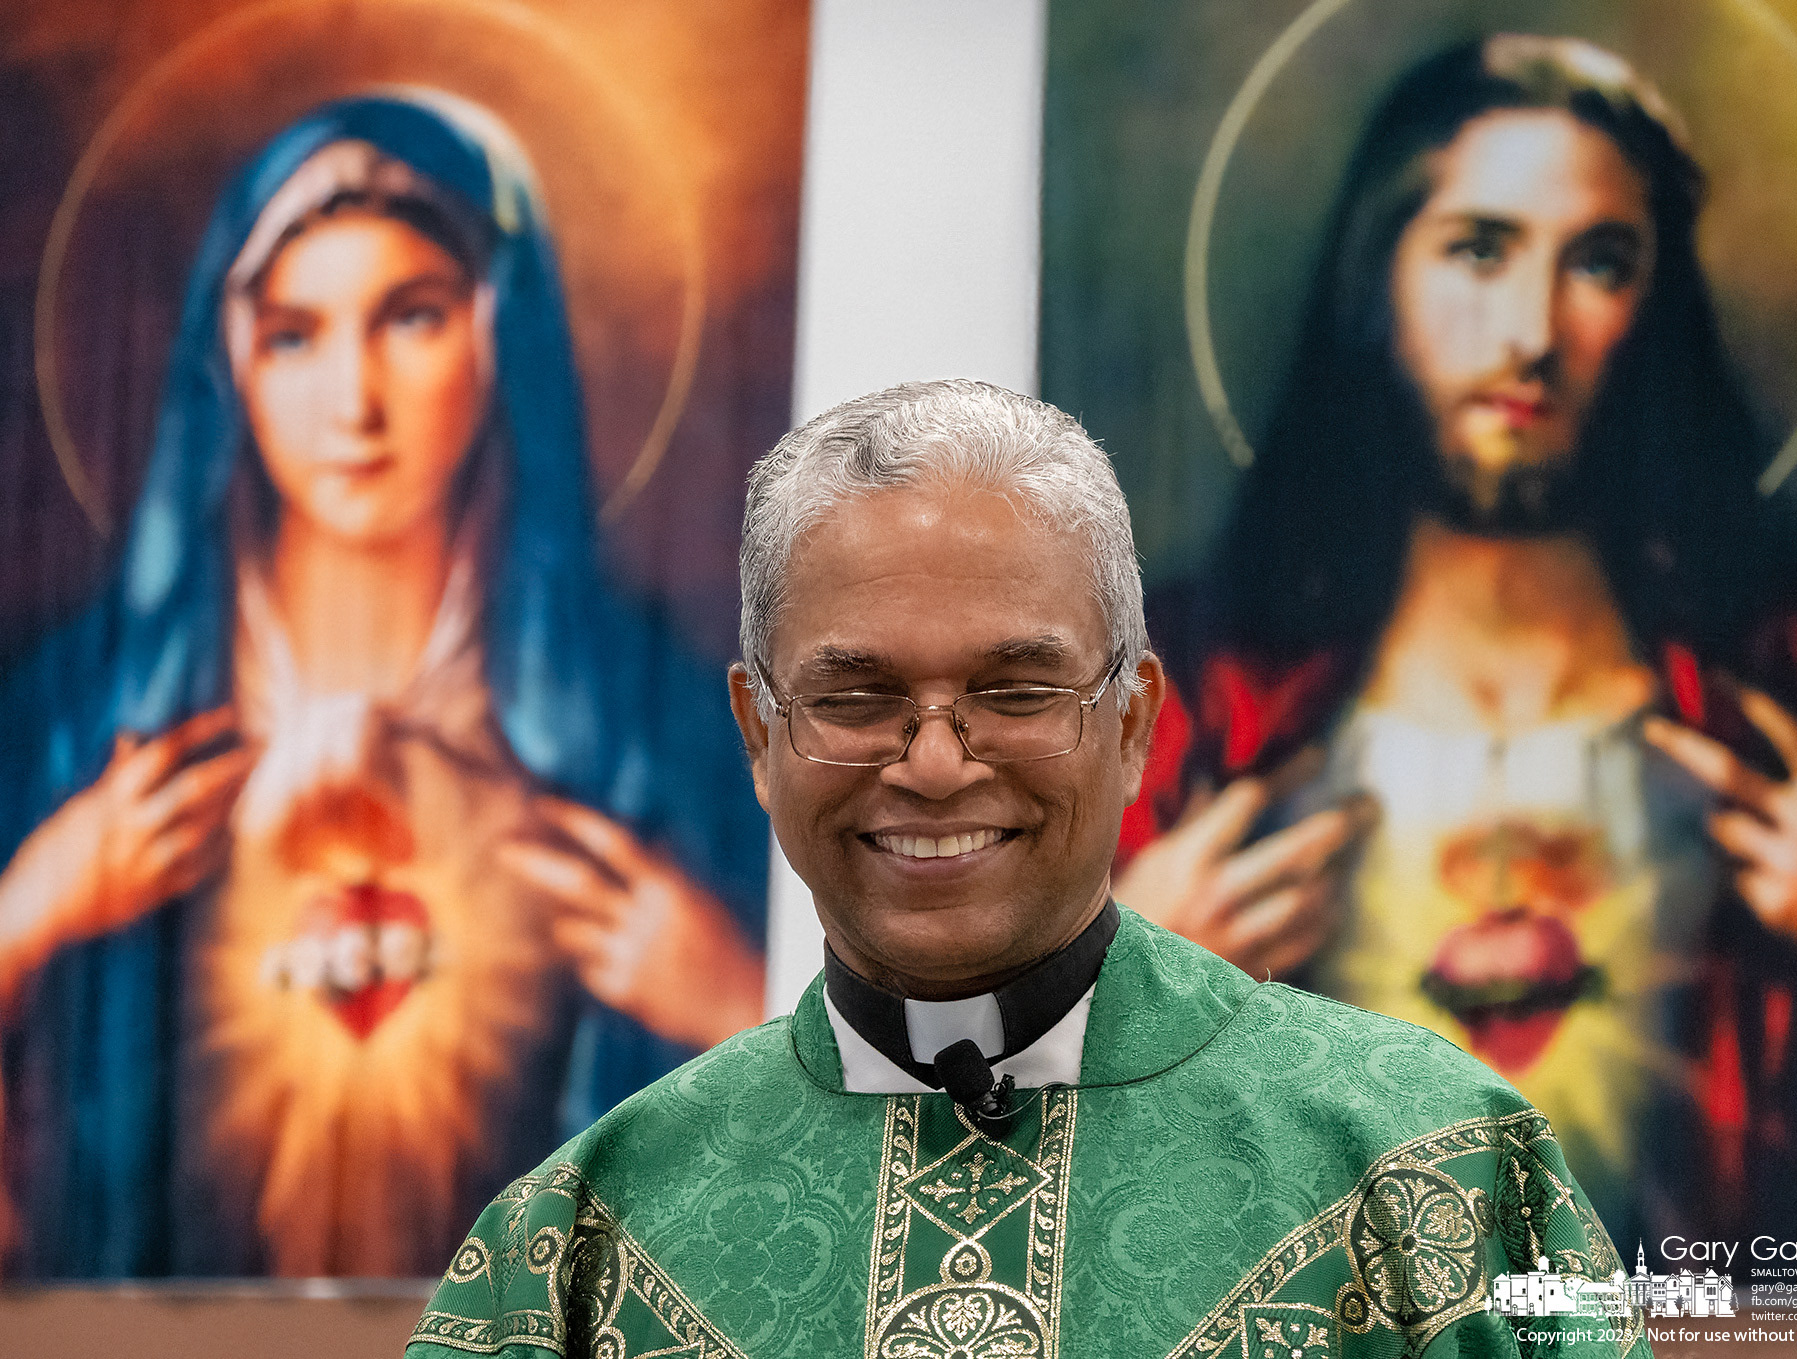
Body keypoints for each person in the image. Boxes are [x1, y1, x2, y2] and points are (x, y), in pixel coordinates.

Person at [409, 379, 1649, 1357]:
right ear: (757, 733)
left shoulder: (1437, 1163)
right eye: (857, 696)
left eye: (1016, 691)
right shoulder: (576, 1246)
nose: (938, 764)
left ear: (1132, 723)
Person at [1117, 37, 1797, 1255]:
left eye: (1599, 262)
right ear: (1375, 276)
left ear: (1658, 309)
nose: (1531, 329)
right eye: (1478, 249)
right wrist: (1130, 985)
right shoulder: (1191, 695)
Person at [0, 92, 766, 1277]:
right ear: (229, 363)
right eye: (296, 334)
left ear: (500, 336)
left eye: (410, 318)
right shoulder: (80, 723)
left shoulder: (640, 728)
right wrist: (31, 911)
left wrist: (737, 995)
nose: (353, 404)